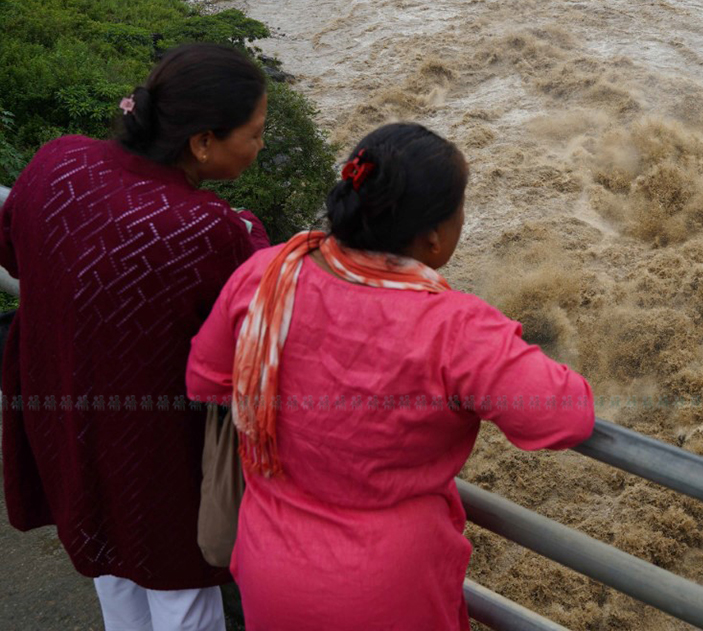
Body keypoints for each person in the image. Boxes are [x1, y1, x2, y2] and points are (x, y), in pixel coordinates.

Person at [185, 123, 596, 630]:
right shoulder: (457, 327)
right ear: (434, 236)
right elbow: (565, 417)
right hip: (388, 592)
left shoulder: (270, 274)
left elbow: (205, 379)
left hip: (270, 568)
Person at [0, 43, 270, 631]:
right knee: (181, 593)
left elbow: (12, 253)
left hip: (67, 417)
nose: (260, 146)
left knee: (111, 571)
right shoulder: (205, 228)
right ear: (202, 141)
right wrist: (249, 228)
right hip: (154, 449)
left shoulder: (55, 161)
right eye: (254, 133)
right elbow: (251, 322)